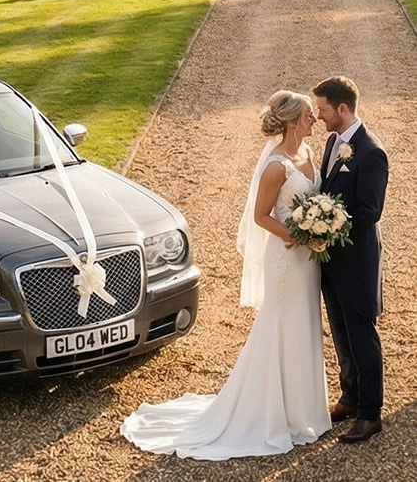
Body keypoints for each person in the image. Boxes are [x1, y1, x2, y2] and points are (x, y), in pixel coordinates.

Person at [120, 90, 331, 460]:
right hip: (286, 258)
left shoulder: (309, 154)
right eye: (310, 115)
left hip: (306, 262)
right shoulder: (276, 166)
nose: (315, 119)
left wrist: (319, 231)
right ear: (295, 120)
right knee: (282, 325)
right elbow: (261, 216)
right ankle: (269, 413)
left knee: (305, 323)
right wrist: (300, 236)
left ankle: (304, 410)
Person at [313, 76, 388, 443]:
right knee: (341, 332)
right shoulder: (332, 142)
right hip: (330, 260)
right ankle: (351, 396)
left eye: (323, 109)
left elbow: (370, 211)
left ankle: (370, 414)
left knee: (361, 334)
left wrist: (325, 232)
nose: (319, 116)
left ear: (342, 108)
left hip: (357, 260)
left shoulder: (372, 151)